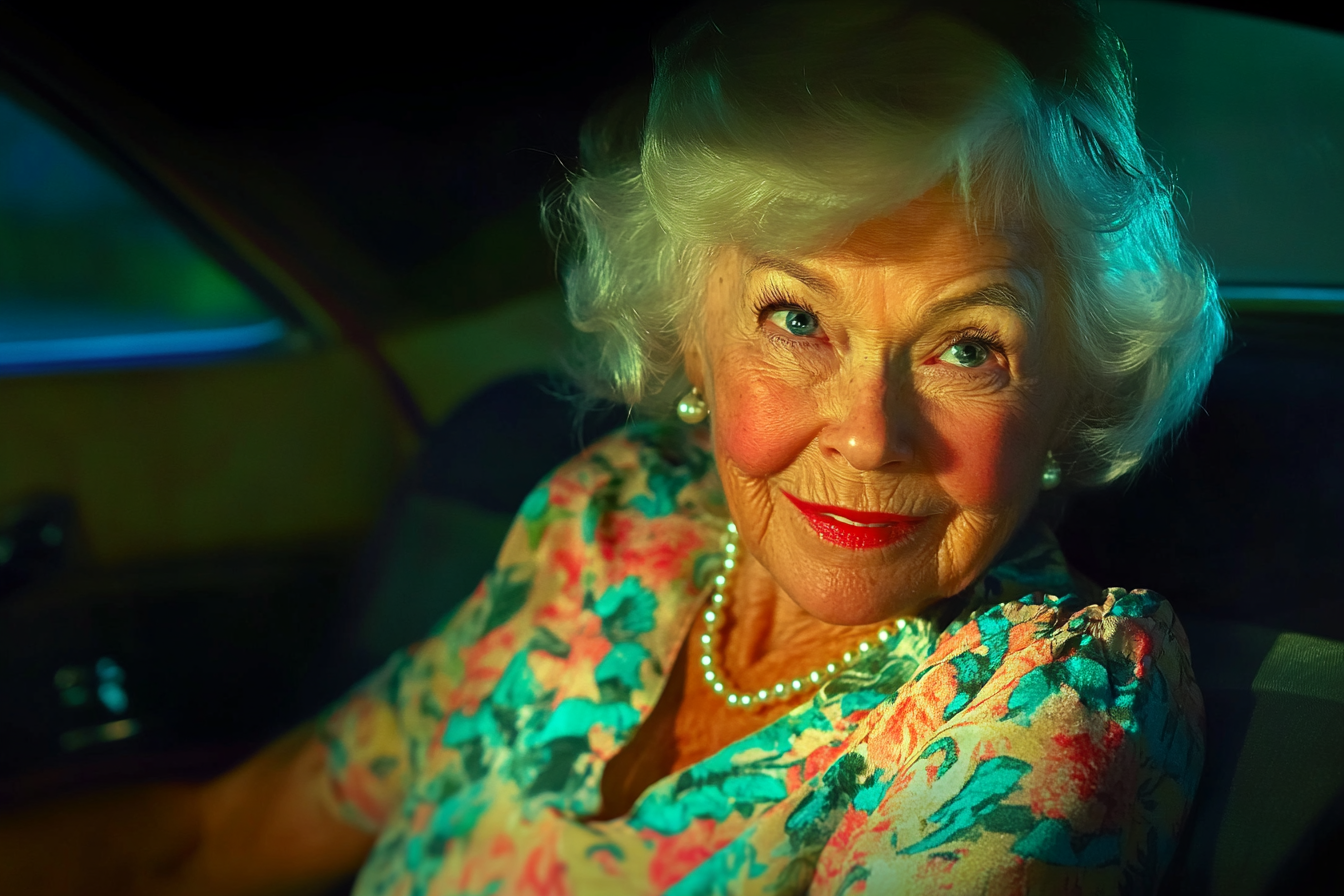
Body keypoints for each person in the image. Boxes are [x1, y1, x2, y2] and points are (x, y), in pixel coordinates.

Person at [0, 0, 1222, 893]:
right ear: (692, 333)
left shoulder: (1060, 694)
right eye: (796, 319)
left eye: (969, 347)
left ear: (1070, 386)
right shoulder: (610, 525)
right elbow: (209, 841)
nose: (865, 428)